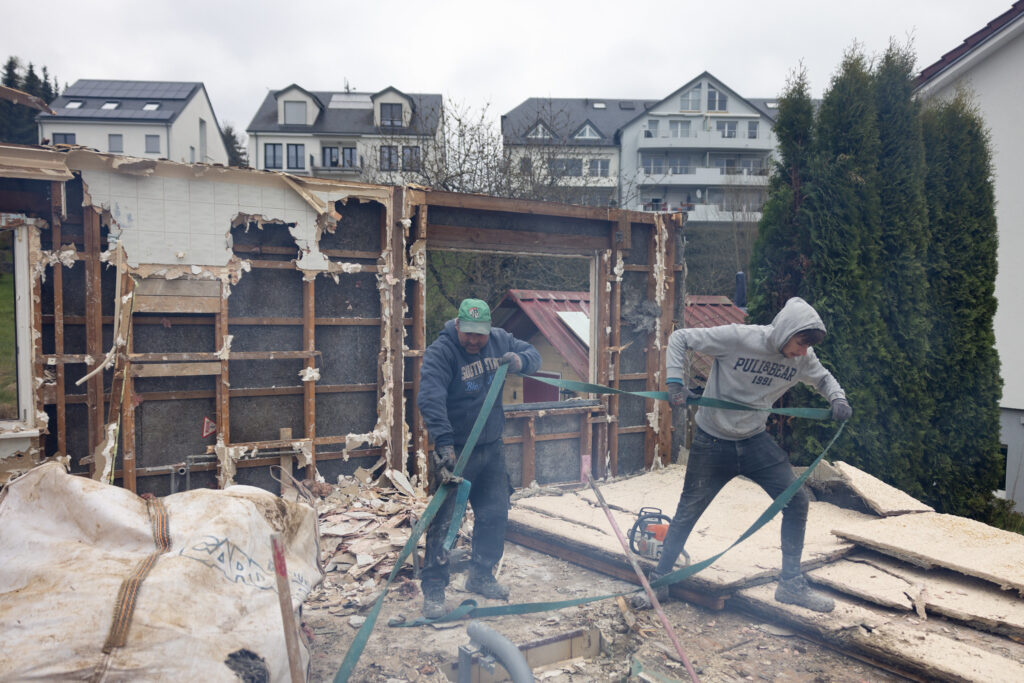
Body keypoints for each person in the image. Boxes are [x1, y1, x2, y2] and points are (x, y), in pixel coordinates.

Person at [636, 297, 852, 613]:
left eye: (807, 346)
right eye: (800, 343)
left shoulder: (802, 358)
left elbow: (822, 377)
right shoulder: (740, 337)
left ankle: (790, 585)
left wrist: (837, 397)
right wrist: (674, 383)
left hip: (753, 441)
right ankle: (659, 583)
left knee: (797, 500)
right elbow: (681, 338)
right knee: (688, 511)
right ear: (785, 331)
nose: (803, 351)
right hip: (712, 441)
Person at [417, 298, 541, 619]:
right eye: (467, 333)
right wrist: (443, 445)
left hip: (491, 448)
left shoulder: (500, 340)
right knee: (445, 522)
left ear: (490, 330)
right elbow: (430, 398)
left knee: (495, 513)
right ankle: (433, 589)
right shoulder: (441, 352)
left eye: (480, 335)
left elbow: (534, 356)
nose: (473, 341)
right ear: (457, 325)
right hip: (457, 450)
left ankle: (481, 575)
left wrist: (519, 361)